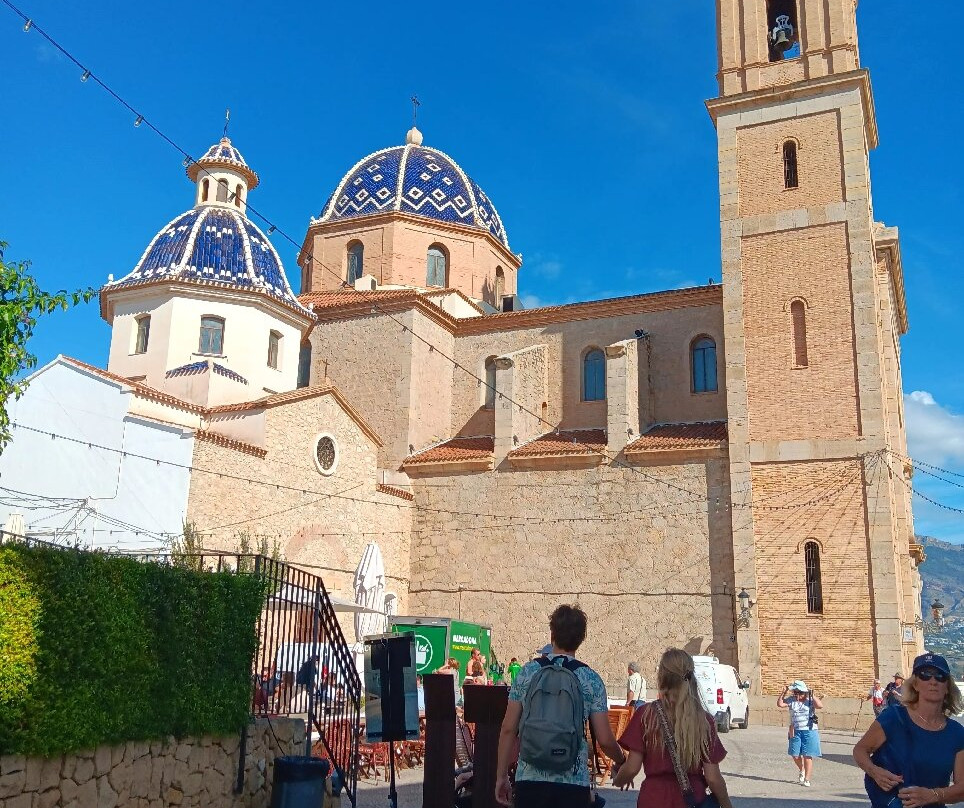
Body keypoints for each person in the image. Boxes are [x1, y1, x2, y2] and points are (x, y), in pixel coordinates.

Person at [496, 604, 626, 808]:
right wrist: (621, 760)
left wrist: (501, 776)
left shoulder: (527, 672)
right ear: (581, 638)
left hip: (529, 780)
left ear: (552, 634)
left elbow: (508, 729)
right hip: (573, 783)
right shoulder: (590, 679)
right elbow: (605, 740)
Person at [614, 648, 734, 808]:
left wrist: (619, 778)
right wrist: (726, 804)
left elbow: (632, 767)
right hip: (691, 799)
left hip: (653, 799)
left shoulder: (646, 715)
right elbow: (712, 777)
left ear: (662, 677)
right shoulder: (703, 720)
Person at [854, 652, 964, 808]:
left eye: (940, 676)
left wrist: (933, 795)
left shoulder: (957, 733)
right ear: (915, 684)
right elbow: (860, 750)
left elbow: (962, 788)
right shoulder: (893, 718)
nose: (933, 681)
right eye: (925, 675)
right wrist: (874, 771)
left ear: (947, 687)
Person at [777, 679, 823, 787]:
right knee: (794, 754)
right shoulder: (791, 700)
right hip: (795, 730)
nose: (797, 695)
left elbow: (820, 706)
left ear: (804, 692)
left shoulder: (810, 700)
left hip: (809, 730)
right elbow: (780, 704)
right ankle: (801, 769)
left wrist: (811, 695)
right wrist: (783, 692)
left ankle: (807, 778)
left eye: (800, 692)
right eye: (795, 692)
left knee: (807, 755)